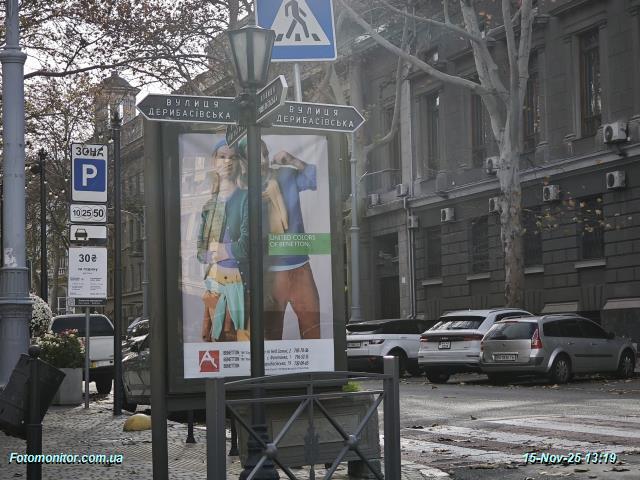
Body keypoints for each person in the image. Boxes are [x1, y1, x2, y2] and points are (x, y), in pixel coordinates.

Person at [239, 138, 321, 340]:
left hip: (300, 267)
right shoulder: (242, 189)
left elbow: (314, 180)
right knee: (270, 340)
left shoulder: (285, 175)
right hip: (268, 275)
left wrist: (293, 160)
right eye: (255, 156)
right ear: (244, 161)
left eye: (265, 154)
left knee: (313, 332)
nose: (262, 160)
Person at [197, 140, 250, 342]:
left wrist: (223, 250)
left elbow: (247, 246)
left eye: (233, 157)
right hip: (215, 285)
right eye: (222, 157)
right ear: (215, 162)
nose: (227, 162)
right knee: (218, 340)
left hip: (241, 283)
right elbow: (200, 251)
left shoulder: (247, 199)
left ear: (240, 163)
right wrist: (209, 254)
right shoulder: (209, 206)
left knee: (244, 339)